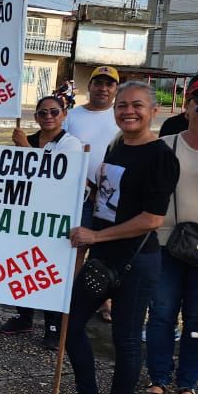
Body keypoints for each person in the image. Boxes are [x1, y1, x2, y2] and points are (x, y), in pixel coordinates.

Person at [61, 82, 179, 394]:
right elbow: (109, 198)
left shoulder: (161, 157)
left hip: (136, 263)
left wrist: (96, 237)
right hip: (103, 256)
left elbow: (151, 219)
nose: (129, 111)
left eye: (138, 105)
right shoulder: (116, 146)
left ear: (153, 111)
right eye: (122, 105)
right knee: (71, 324)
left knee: (126, 340)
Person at [141, 73, 198, 394]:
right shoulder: (168, 144)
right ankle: (159, 379)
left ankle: (188, 384)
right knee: (161, 314)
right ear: (186, 106)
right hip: (166, 243)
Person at [0, 96, 83, 349]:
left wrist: (25, 149)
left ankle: (53, 327)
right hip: (28, 214)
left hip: (55, 217)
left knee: (48, 271)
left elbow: (56, 177)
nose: (48, 116)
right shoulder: (29, 139)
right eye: (43, 112)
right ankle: (24, 316)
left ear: (64, 115)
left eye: (54, 112)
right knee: (21, 265)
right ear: (35, 117)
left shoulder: (71, 144)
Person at [63, 65, 121, 323]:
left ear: (115, 89)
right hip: (79, 194)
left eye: (109, 84)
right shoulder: (72, 116)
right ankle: (71, 299)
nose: (103, 88)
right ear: (90, 86)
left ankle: (105, 301)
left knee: (107, 252)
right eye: (98, 83)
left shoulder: (121, 116)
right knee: (77, 247)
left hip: (112, 197)